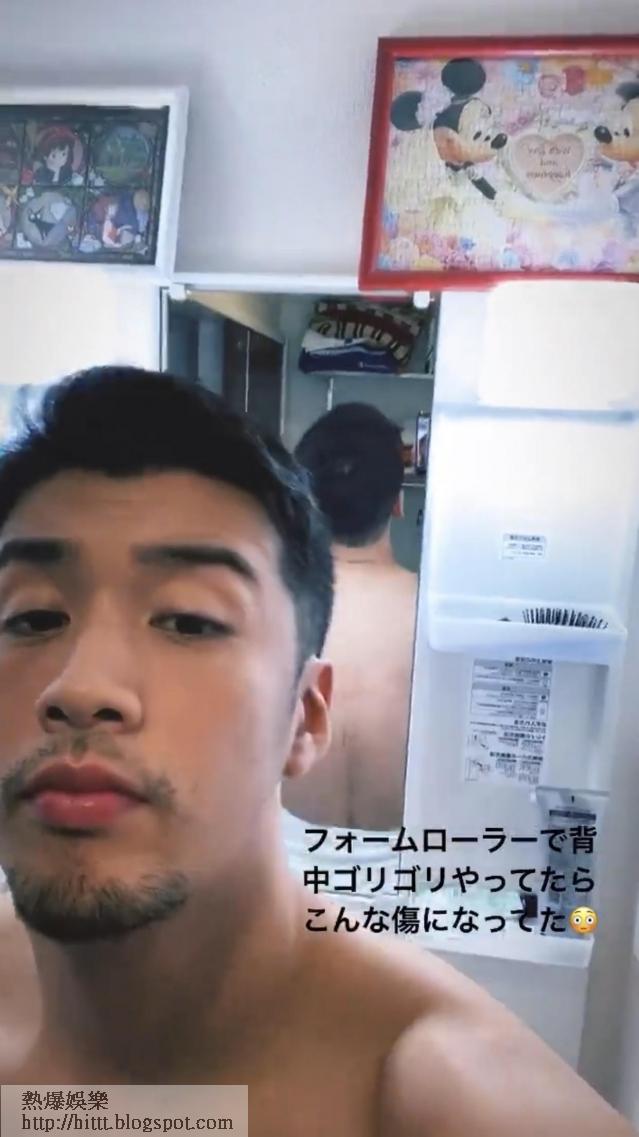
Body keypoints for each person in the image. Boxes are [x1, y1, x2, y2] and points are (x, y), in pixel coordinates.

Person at [0, 366, 633, 1137]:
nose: (79, 685)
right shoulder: (424, 614)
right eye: (33, 617)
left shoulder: (451, 1093)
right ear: (398, 499)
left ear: (306, 712)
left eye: (189, 620)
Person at [282, 403, 417, 831]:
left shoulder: (270, 607)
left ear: (306, 503)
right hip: (412, 862)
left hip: (285, 861)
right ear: (397, 503)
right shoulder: (438, 616)